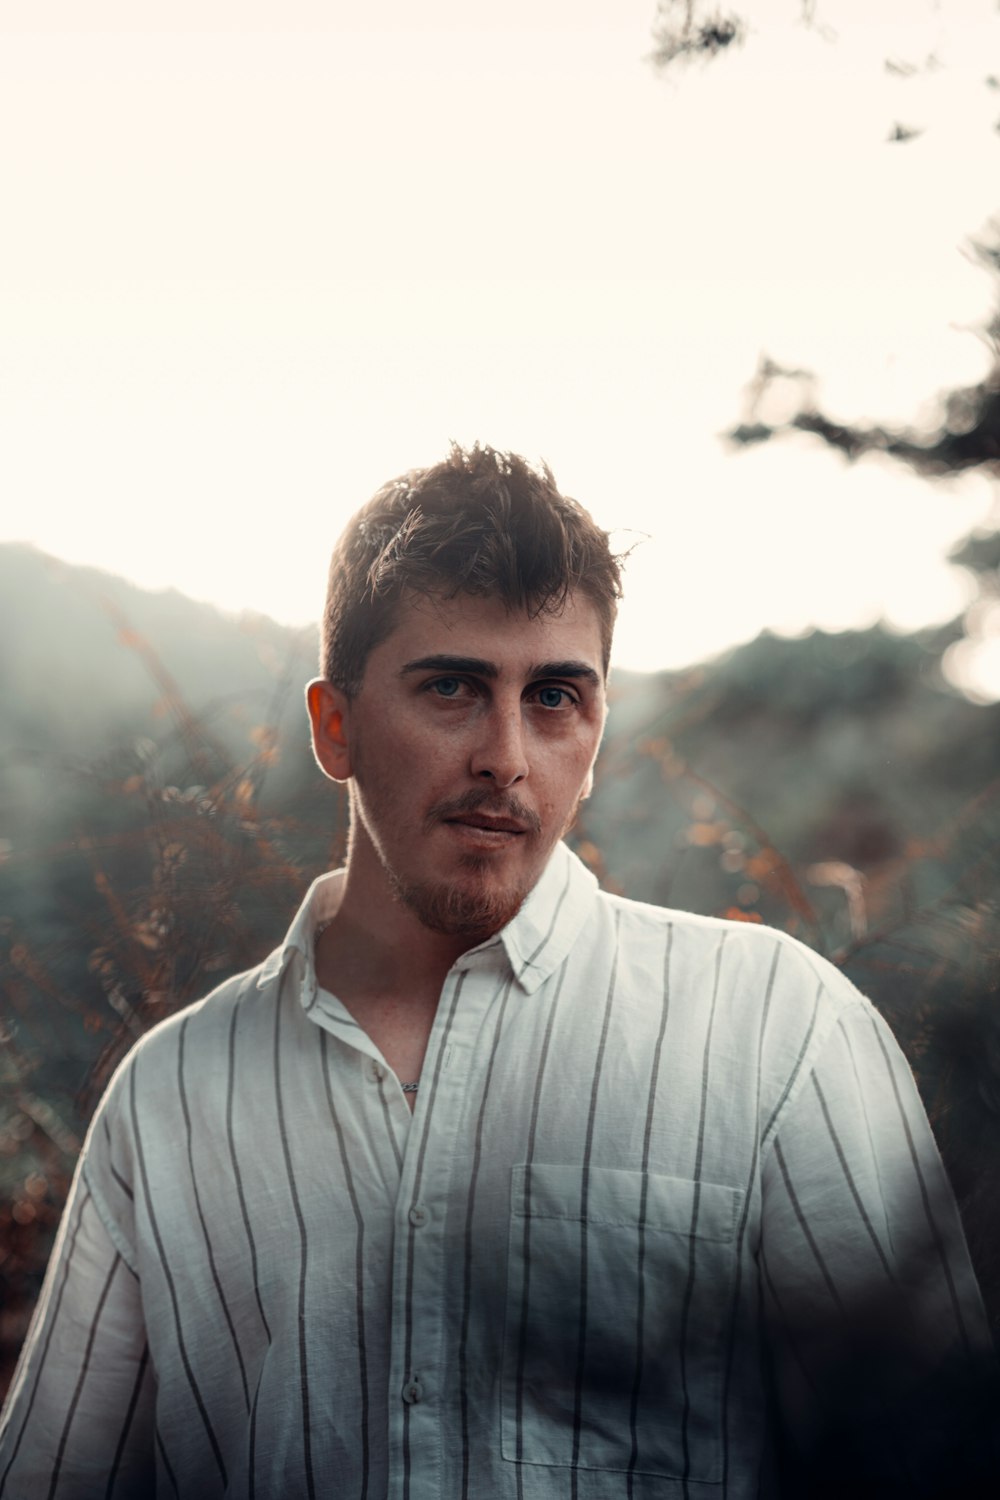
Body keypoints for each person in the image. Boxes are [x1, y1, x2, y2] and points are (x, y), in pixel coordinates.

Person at [0, 443, 993, 1499]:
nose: (507, 756)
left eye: (555, 696)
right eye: (452, 688)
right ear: (334, 728)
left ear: (598, 731)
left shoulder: (776, 1032)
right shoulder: (173, 1097)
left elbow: (933, 1463)